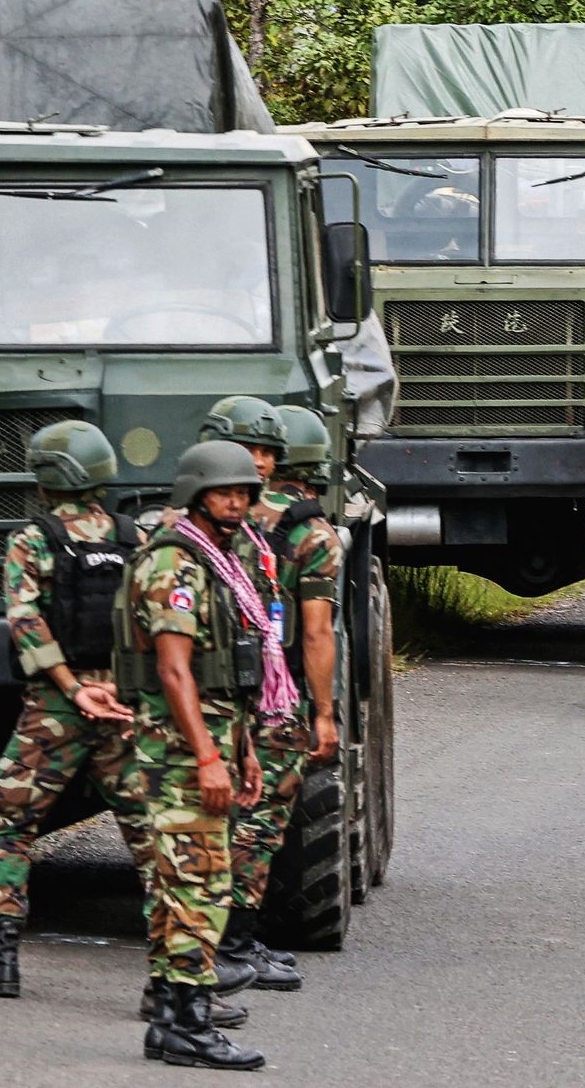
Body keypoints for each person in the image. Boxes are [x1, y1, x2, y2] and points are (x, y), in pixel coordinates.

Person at [0, 420, 151, 1003]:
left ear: (44, 480)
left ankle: (4, 959)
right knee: (150, 831)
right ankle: (175, 971)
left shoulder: (32, 540)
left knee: (11, 823)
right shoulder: (133, 537)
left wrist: (72, 688)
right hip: (123, 705)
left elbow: (26, 625)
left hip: (56, 708)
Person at [120, 440, 282, 1071]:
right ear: (195, 495)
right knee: (200, 884)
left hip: (208, 739)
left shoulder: (220, 561)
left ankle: (168, 1015)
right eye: (224, 492)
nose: (237, 501)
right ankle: (189, 1021)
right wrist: (208, 757)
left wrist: (240, 751)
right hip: (180, 749)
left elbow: (227, 678)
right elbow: (175, 670)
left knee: (180, 884)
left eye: (244, 491)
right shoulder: (176, 566)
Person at [221, 403, 347, 992]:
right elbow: (318, 633)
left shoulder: (183, 520)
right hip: (275, 694)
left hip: (202, 693)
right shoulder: (309, 532)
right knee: (262, 818)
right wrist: (324, 713)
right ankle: (237, 941)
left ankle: (200, 940)